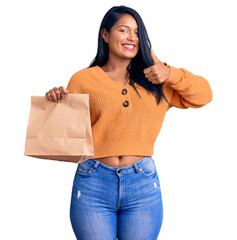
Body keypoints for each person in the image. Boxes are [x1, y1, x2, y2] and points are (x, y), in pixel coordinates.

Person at [45, 5, 212, 240]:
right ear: (105, 35)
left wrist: (170, 73)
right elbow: (69, 133)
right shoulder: (83, 79)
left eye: (136, 32)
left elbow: (205, 95)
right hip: (93, 182)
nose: (132, 37)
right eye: (123, 30)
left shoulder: (156, 77)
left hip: (142, 184)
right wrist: (57, 101)